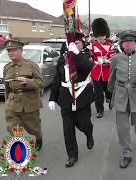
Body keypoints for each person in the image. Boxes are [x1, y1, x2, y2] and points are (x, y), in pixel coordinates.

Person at [48, 32, 95, 168]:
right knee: (68, 130)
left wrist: (77, 54)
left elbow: (87, 67)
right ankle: (72, 155)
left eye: (78, 43)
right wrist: (52, 98)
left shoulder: (87, 56)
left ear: (82, 44)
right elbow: (57, 79)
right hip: (65, 98)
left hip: (82, 97)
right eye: (71, 43)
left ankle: (89, 133)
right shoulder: (63, 60)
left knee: (84, 124)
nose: (75, 45)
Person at [108, 30, 136, 168]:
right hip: (120, 95)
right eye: (125, 42)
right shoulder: (115, 59)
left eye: (130, 42)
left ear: (135, 43)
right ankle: (126, 154)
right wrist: (109, 94)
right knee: (122, 128)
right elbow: (111, 78)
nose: (128, 45)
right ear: (122, 44)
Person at [3, 40, 44, 151]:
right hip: (13, 103)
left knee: (34, 128)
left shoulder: (31, 65)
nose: (11, 53)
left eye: (14, 50)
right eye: (9, 51)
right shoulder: (6, 68)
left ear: (21, 50)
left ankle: (39, 136)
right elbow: (7, 87)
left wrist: (28, 82)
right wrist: (6, 102)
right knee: (14, 130)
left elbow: (40, 82)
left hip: (30, 103)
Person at [89, 18, 115, 118]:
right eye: (99, 36)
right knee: (98, 94)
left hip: (107, 72)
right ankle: (100, 110)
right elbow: (90, 58)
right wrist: (93, 61)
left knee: (108, 90)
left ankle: (109, 98)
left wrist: (107, 61)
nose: (100, 38)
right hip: (96, 72)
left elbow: (113, 58)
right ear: (96, 36)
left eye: (102, 36)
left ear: (105, 35)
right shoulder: (92, 46)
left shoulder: (110, 46)